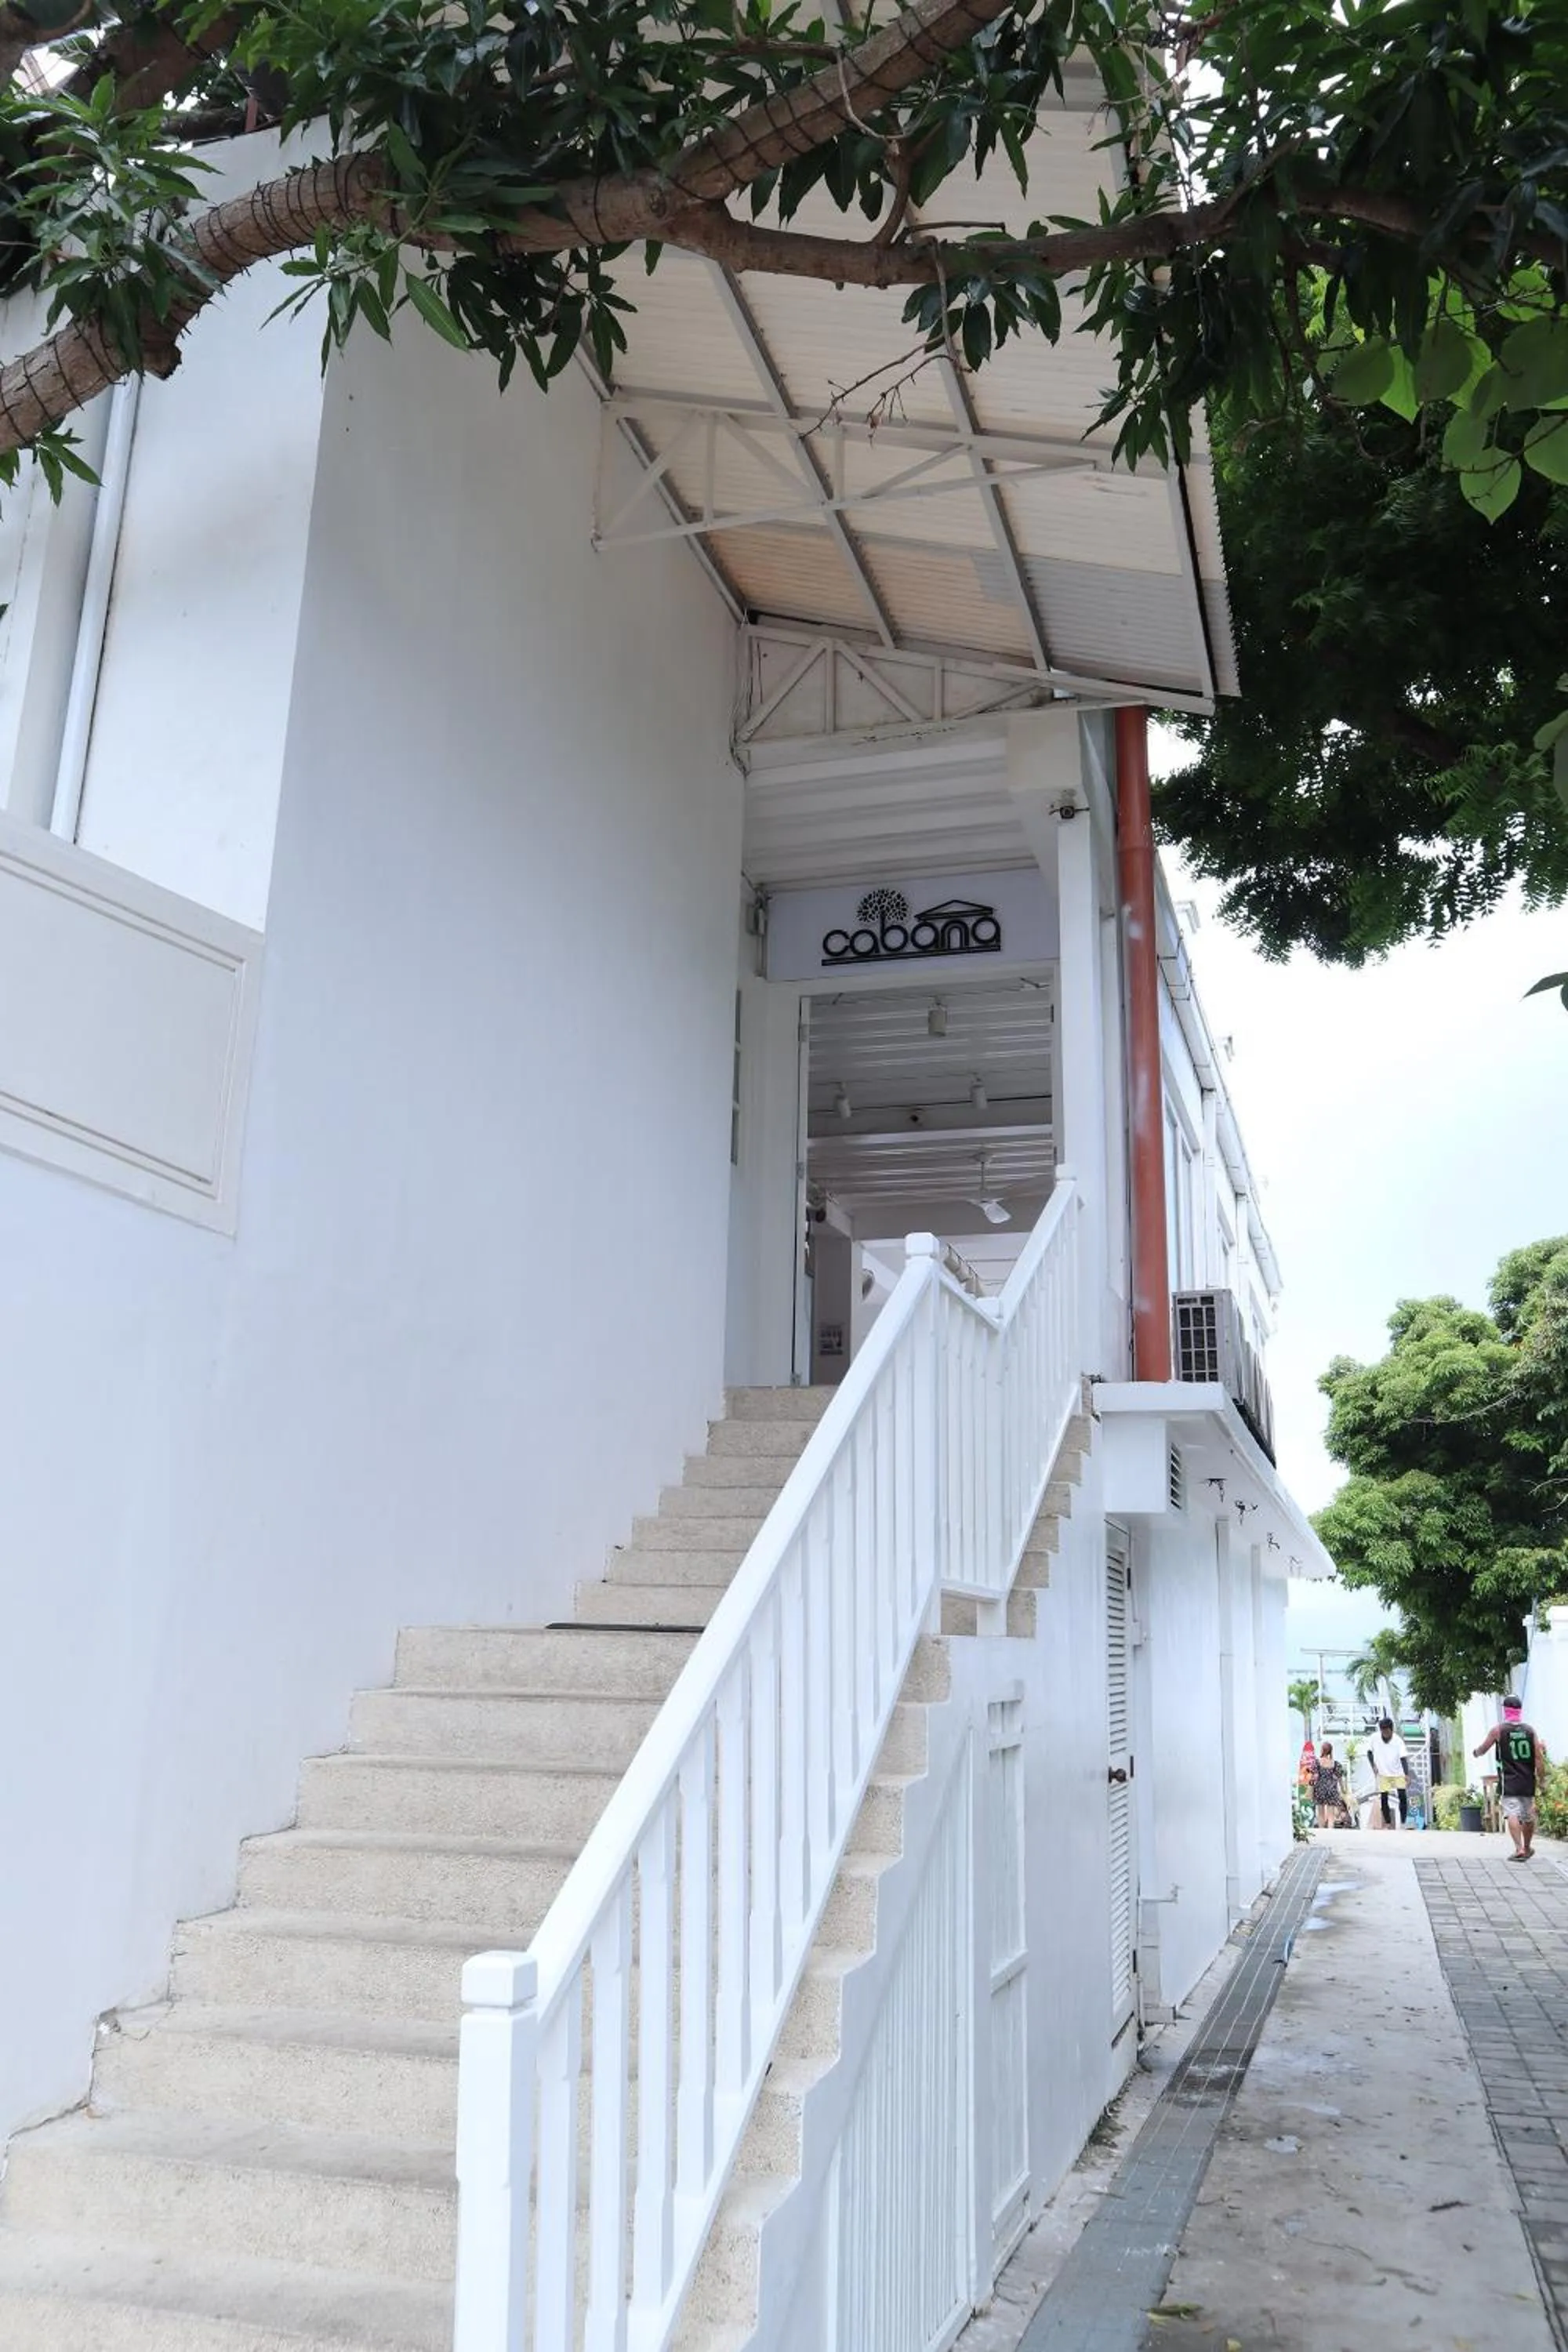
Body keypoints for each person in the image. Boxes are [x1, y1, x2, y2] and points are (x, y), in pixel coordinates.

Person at [1474, 1695, 1549, 1862]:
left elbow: (1483, 1748)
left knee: (1512, 1813)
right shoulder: (1530, 1731)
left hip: (1509, 1780)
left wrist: (1476, 1753)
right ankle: (1528, 1847)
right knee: (1528, 1814)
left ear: (1505, 1710)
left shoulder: (1499, 1730)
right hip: (1528, 1779)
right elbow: (1538, 1757)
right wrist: (1542, 1779)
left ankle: (1519, 1848)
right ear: (1519, 1710)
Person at [1370, 1716, 1410, 1829]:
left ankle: (1403, 1821)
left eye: (1387, 1731)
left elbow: (1403, 1759)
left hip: (1398, 1773)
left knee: (1402, 1796)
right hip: (1383, 1773)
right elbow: (1369, 1752)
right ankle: (1387, 1822)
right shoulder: (1375, 1738)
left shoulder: (1398, 1741)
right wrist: (1373, 1765)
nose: (1385, 1734)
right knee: (1384, 1798)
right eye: (1383, 1731)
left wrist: (1406, 1774)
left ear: (1392, 1730)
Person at [1312, 1743, 1348, 1829]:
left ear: (1322, 1750)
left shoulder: (1317, 1762)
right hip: (1332, 1789)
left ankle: (1322, 1831)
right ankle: (1330, 1831)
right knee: (1331, 1815)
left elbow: (1316, 1776)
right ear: (1331, 1751)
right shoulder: (1335, 1764)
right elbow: (1340, 1778)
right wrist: (1343, 1789)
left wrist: (1311, 1787)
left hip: (1320, 1789)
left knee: (1321, 1813)